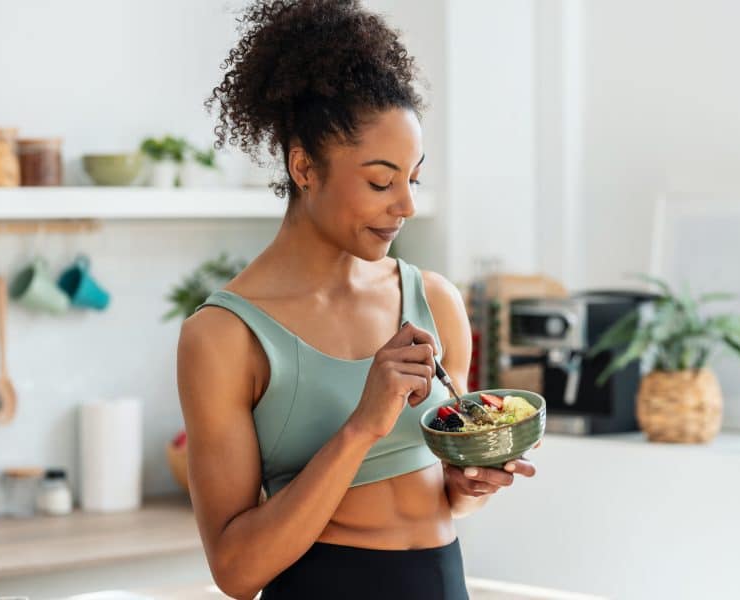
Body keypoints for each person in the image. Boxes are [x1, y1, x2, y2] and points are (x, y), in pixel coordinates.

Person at [177, 1, 539, 598]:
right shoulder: (224, 335)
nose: (407, 205)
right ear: (304, 168)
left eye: (413, 178)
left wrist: (469, 485)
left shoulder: (435, 302)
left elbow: (447, 494)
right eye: (380, 181)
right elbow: (236, 572)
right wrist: (362, 426)